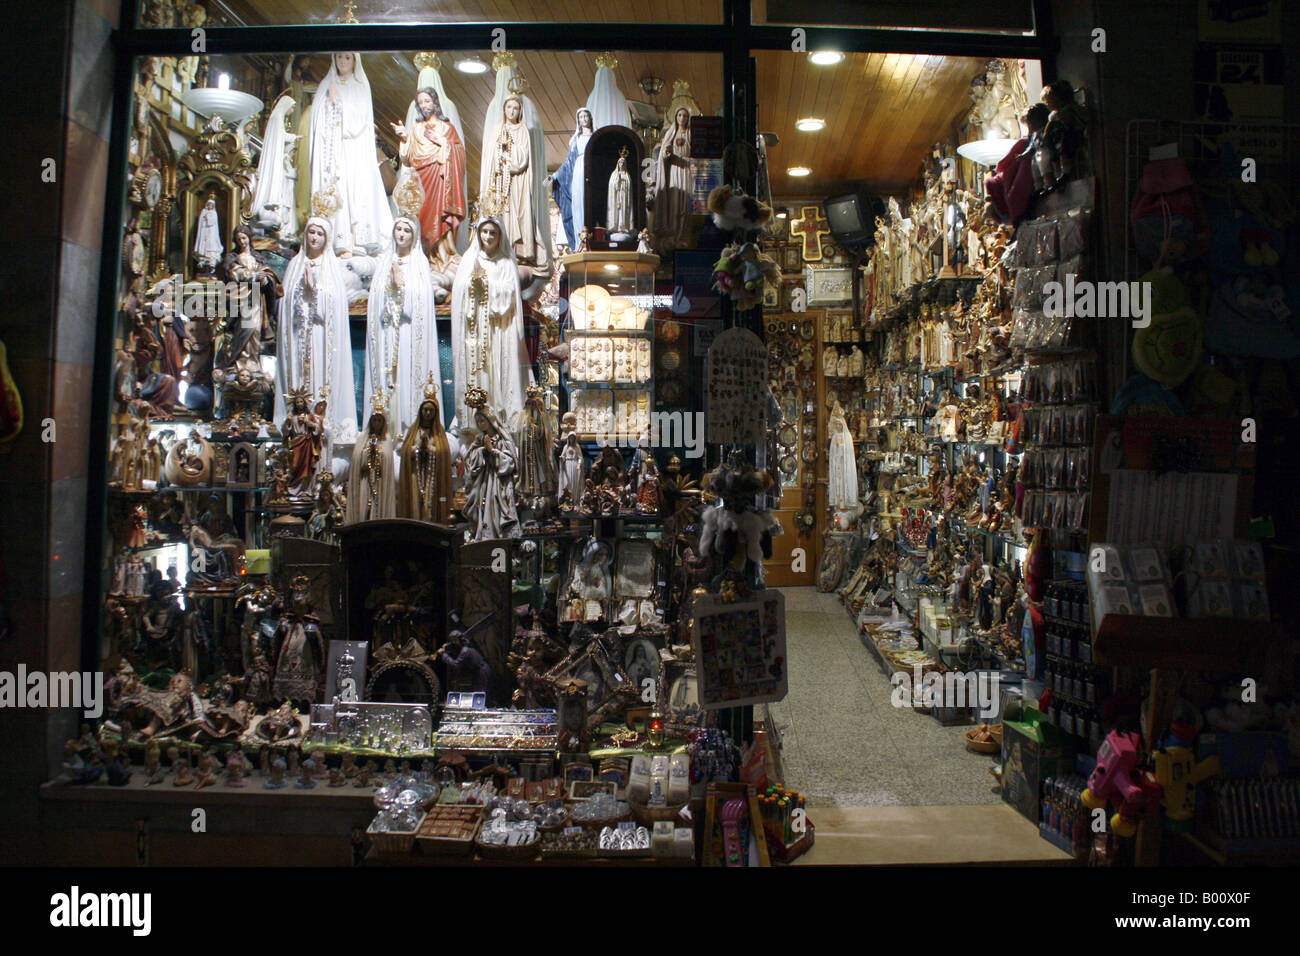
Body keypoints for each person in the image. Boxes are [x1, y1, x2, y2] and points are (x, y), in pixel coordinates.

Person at [274, 217, 357, 451]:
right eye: (311, 232)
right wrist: (301, 294)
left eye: (320, 234)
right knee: (298, 382)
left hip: (322, 339)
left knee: (321, 384)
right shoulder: (294, 266)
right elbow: (286, 307)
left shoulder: (332, 269)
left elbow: (332, 311)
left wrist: (314, 292)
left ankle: (322, 427)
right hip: (299, 336)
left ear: (326, 238)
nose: (314, 237)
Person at [449, 218, 531, 430]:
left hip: (500, 330)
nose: (487, 237)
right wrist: (472, 282)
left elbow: (509, 298)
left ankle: (501, 418)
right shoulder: (470, 259)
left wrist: (484, 283)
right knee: (480, 372)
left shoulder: (505, 263)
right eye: (484, 232)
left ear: (500, 236)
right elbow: (459, 292)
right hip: (475, 330)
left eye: (492, 233)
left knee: (499, 371)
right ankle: (474, 420)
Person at [309, 51, 394, 256]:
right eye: (339, 57)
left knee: (354, 194)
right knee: (337, 190)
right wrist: (329, 102)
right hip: (333, 151)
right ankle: (337, 240)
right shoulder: (325, 85)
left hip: (354, 150)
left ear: (355, 60)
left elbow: (359, 123)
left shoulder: (360, 87)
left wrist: (339, 104)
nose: (342, 62)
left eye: (347, 58)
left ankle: (357, 241)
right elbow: (316, 121)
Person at [362, 217, 437, 436]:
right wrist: (389, 289)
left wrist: (400, 286)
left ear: (413, 236)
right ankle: (384, 426)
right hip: (387, 333)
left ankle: (408, 425)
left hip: (408, 334)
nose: (401, 234)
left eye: (406, 230)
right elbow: (375, 301)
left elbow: (419, 305)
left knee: (406, 376)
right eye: (398, 229)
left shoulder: (419, 264)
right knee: (387, 379)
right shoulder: (385, 263)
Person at [391, 87, 466, 270]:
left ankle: (444, 254)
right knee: (423, 217)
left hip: (441, 178)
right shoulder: (416, 129)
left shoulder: (447, 128)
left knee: (441, 216)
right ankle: (423, 256)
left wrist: (444, 144)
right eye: (421, 102)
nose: (424, 105)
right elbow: (408, 159)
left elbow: (460, 155)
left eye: (427, 101)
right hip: (422, 179)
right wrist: (404, 138)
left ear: (435, 102)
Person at [461, 396, 521, 541]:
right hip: (484, 482)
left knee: (496, 508)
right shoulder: (479, 440)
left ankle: (499, 539)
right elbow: (470, 460)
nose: (480, 424)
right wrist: (482, 451)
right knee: (484, 508)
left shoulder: (503, 440)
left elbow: (510, 462)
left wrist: (493, 451)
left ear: (490, 420)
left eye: (483, 420)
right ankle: (485, 538)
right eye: (478, 422)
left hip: (499, 482)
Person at [551, 108, 594, 250]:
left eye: (586, 116)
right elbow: (568, 162)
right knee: (577, 203)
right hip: (578, 170)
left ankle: (591, 239)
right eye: (581, 117)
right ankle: (578, 241)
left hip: (591, 169)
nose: (584, 119)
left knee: (590, 201)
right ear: (578, 120)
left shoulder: (595, 136)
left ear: (590, 118)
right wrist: (555, 175)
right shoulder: (575, 139)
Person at [653, 107, 692, 243]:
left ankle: (683, 236)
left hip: (687, 171)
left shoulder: (691, 134)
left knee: (686, 205)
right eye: (679, 115)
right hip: (675, 171)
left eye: (685, 116)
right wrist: (666, 153)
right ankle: (673, 235)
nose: (682, 118)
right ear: (675, 117)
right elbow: (663, 155)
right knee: (674, 204)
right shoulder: (672, 133)